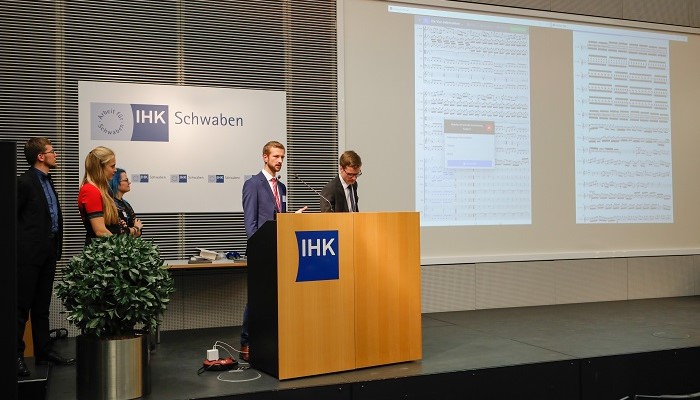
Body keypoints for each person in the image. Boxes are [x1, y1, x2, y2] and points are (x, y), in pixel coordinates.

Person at [240, 140, 306, 362]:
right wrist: (259, 251)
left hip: (279, 251)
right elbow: (251, 224)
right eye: (276, 157)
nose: (280, 161)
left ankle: (271, 341)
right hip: (261, 254)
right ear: (265, 157)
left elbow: (278, 220)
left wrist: (291, 219)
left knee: (274, 299)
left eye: (282, 157)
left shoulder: (282, 187)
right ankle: (246, 343)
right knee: (255, 299)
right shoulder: (253, 184)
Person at [17, 137, 75, 377]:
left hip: (49, 253)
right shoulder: (24, 182)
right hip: (27, 256)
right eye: (52, 151)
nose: (56, 155)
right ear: (40, 156)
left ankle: (43, 352)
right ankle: (16, 356)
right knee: (20, 309)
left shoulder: (48, 181)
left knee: (41, 307)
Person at [78, 146, 129, 244]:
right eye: (112, 166)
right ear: (100, 167)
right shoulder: (90, 190)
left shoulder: (102, 190)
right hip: (100, 252)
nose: (115, 170)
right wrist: (122, 248)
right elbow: (100, 231)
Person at [109, 168, 143, 238]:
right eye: (126, 180)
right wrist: (134, 229)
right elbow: (120, 232)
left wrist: (133, 231)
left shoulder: (126, 204)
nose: (129, 182)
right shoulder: (110, 204)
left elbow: (139, 230)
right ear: (116, 182)